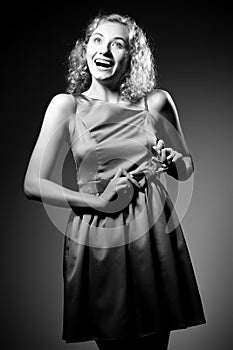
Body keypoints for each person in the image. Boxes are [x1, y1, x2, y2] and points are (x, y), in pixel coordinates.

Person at [23, 13, 206, 350]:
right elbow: (33, 183)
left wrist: (171, 163)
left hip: (153, 234)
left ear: (132, 57)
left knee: (155, 343)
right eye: (97, 40)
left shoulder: (156, 103)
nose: (104, 50)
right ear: (85, 49)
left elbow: (187, 166)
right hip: (99, 234)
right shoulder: (67, 106)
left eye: (117, 44)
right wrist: (98, 201)